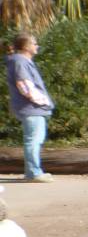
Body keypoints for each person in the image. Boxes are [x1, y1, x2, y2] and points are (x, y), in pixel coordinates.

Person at [4, 33, 55, 182]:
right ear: (26, 47)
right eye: (34, 43)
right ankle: (34, 173)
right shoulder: (20, 61)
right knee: (33, 140)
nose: (36, 46)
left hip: (32, 107)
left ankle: (32, 172)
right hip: (31, 107)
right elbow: (24, 85)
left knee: (34, 139)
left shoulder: (21, 61)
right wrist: (43, 101)